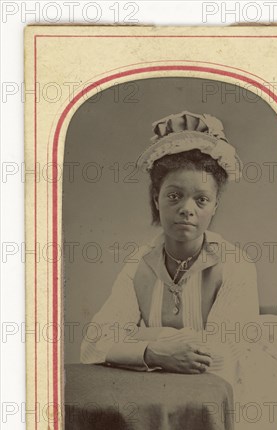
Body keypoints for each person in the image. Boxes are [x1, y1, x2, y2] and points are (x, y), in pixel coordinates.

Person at [80, 111, 260, 386]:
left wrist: (140, 340)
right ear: (157, 198)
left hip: (218, 400)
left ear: (214, 207)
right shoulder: (140, 263)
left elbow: (223, 359)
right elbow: (92, 346)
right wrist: (155, 353)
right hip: (154, 396)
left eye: (201, 199)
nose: (187, 209)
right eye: (174, 196)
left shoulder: (235, 265)